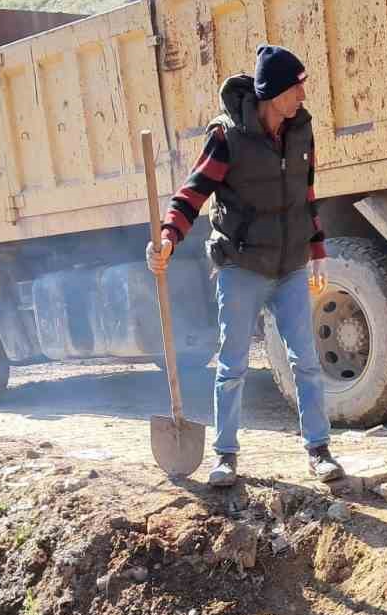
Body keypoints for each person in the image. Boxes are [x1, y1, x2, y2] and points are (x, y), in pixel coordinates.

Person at [146, 43, 344, 488]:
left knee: (306, 362)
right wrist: (168, 236)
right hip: (241, 267)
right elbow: (191, 193)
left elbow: (305, 193)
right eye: (296, 87)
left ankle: (319, 450)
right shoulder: (227, 136)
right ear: (272, 91)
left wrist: (316, 247)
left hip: (291, 265)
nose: (302, 95)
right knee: (232, 365)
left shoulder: (301, 130)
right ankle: (226, 457)